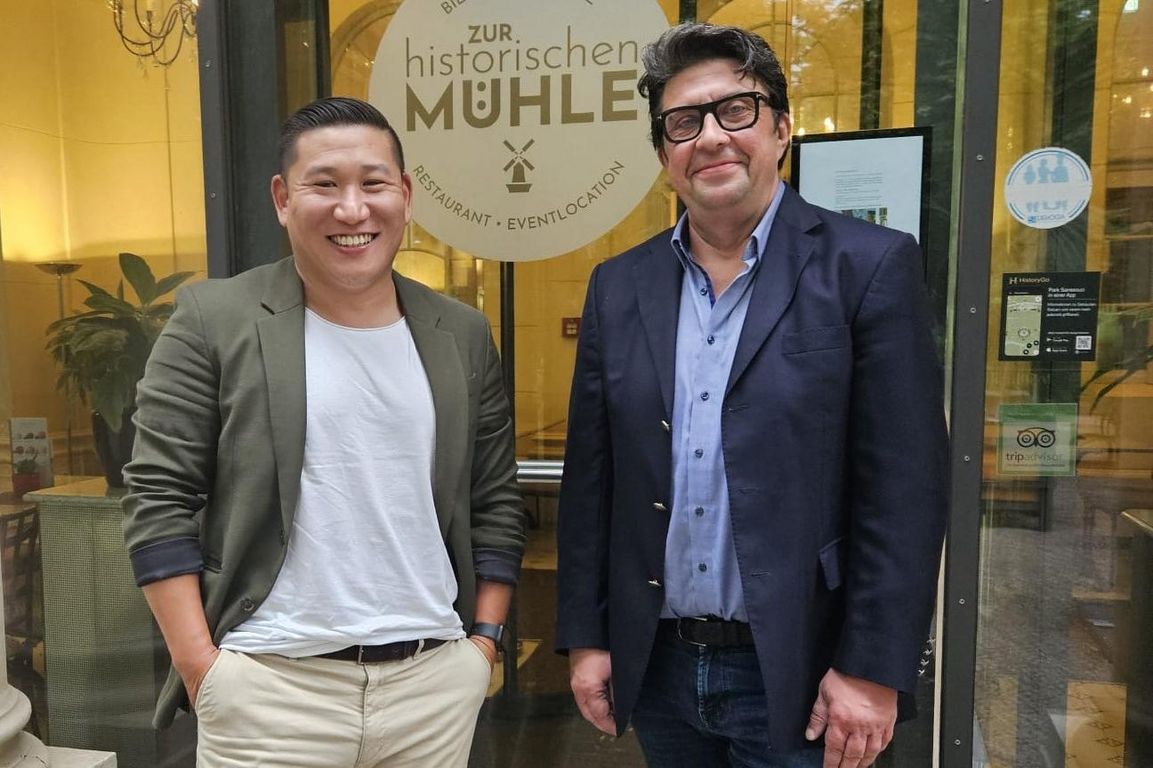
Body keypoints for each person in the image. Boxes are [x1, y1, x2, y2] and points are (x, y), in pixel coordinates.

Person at [555, 23, 948, 768]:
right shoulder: (619, 286)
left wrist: (872, 667)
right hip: (661, 666)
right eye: (682, 122)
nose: (710, 137)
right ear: (664, 153)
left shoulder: (868, 266)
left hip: (806, 671)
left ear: (781, 129)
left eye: (735, 110)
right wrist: (588, 637)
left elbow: (905, 491)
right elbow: (592, 482)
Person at [122, 96, 525, 767]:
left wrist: (482, 644)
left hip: (432, 686)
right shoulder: (214, 319)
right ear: (283, 199)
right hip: (268, 691)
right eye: (325, 185)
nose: (352, 208)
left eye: (373, 183)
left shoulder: (460, 332)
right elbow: (158, 496)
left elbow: (494, 499)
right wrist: (200, 665)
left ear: (405, 195)